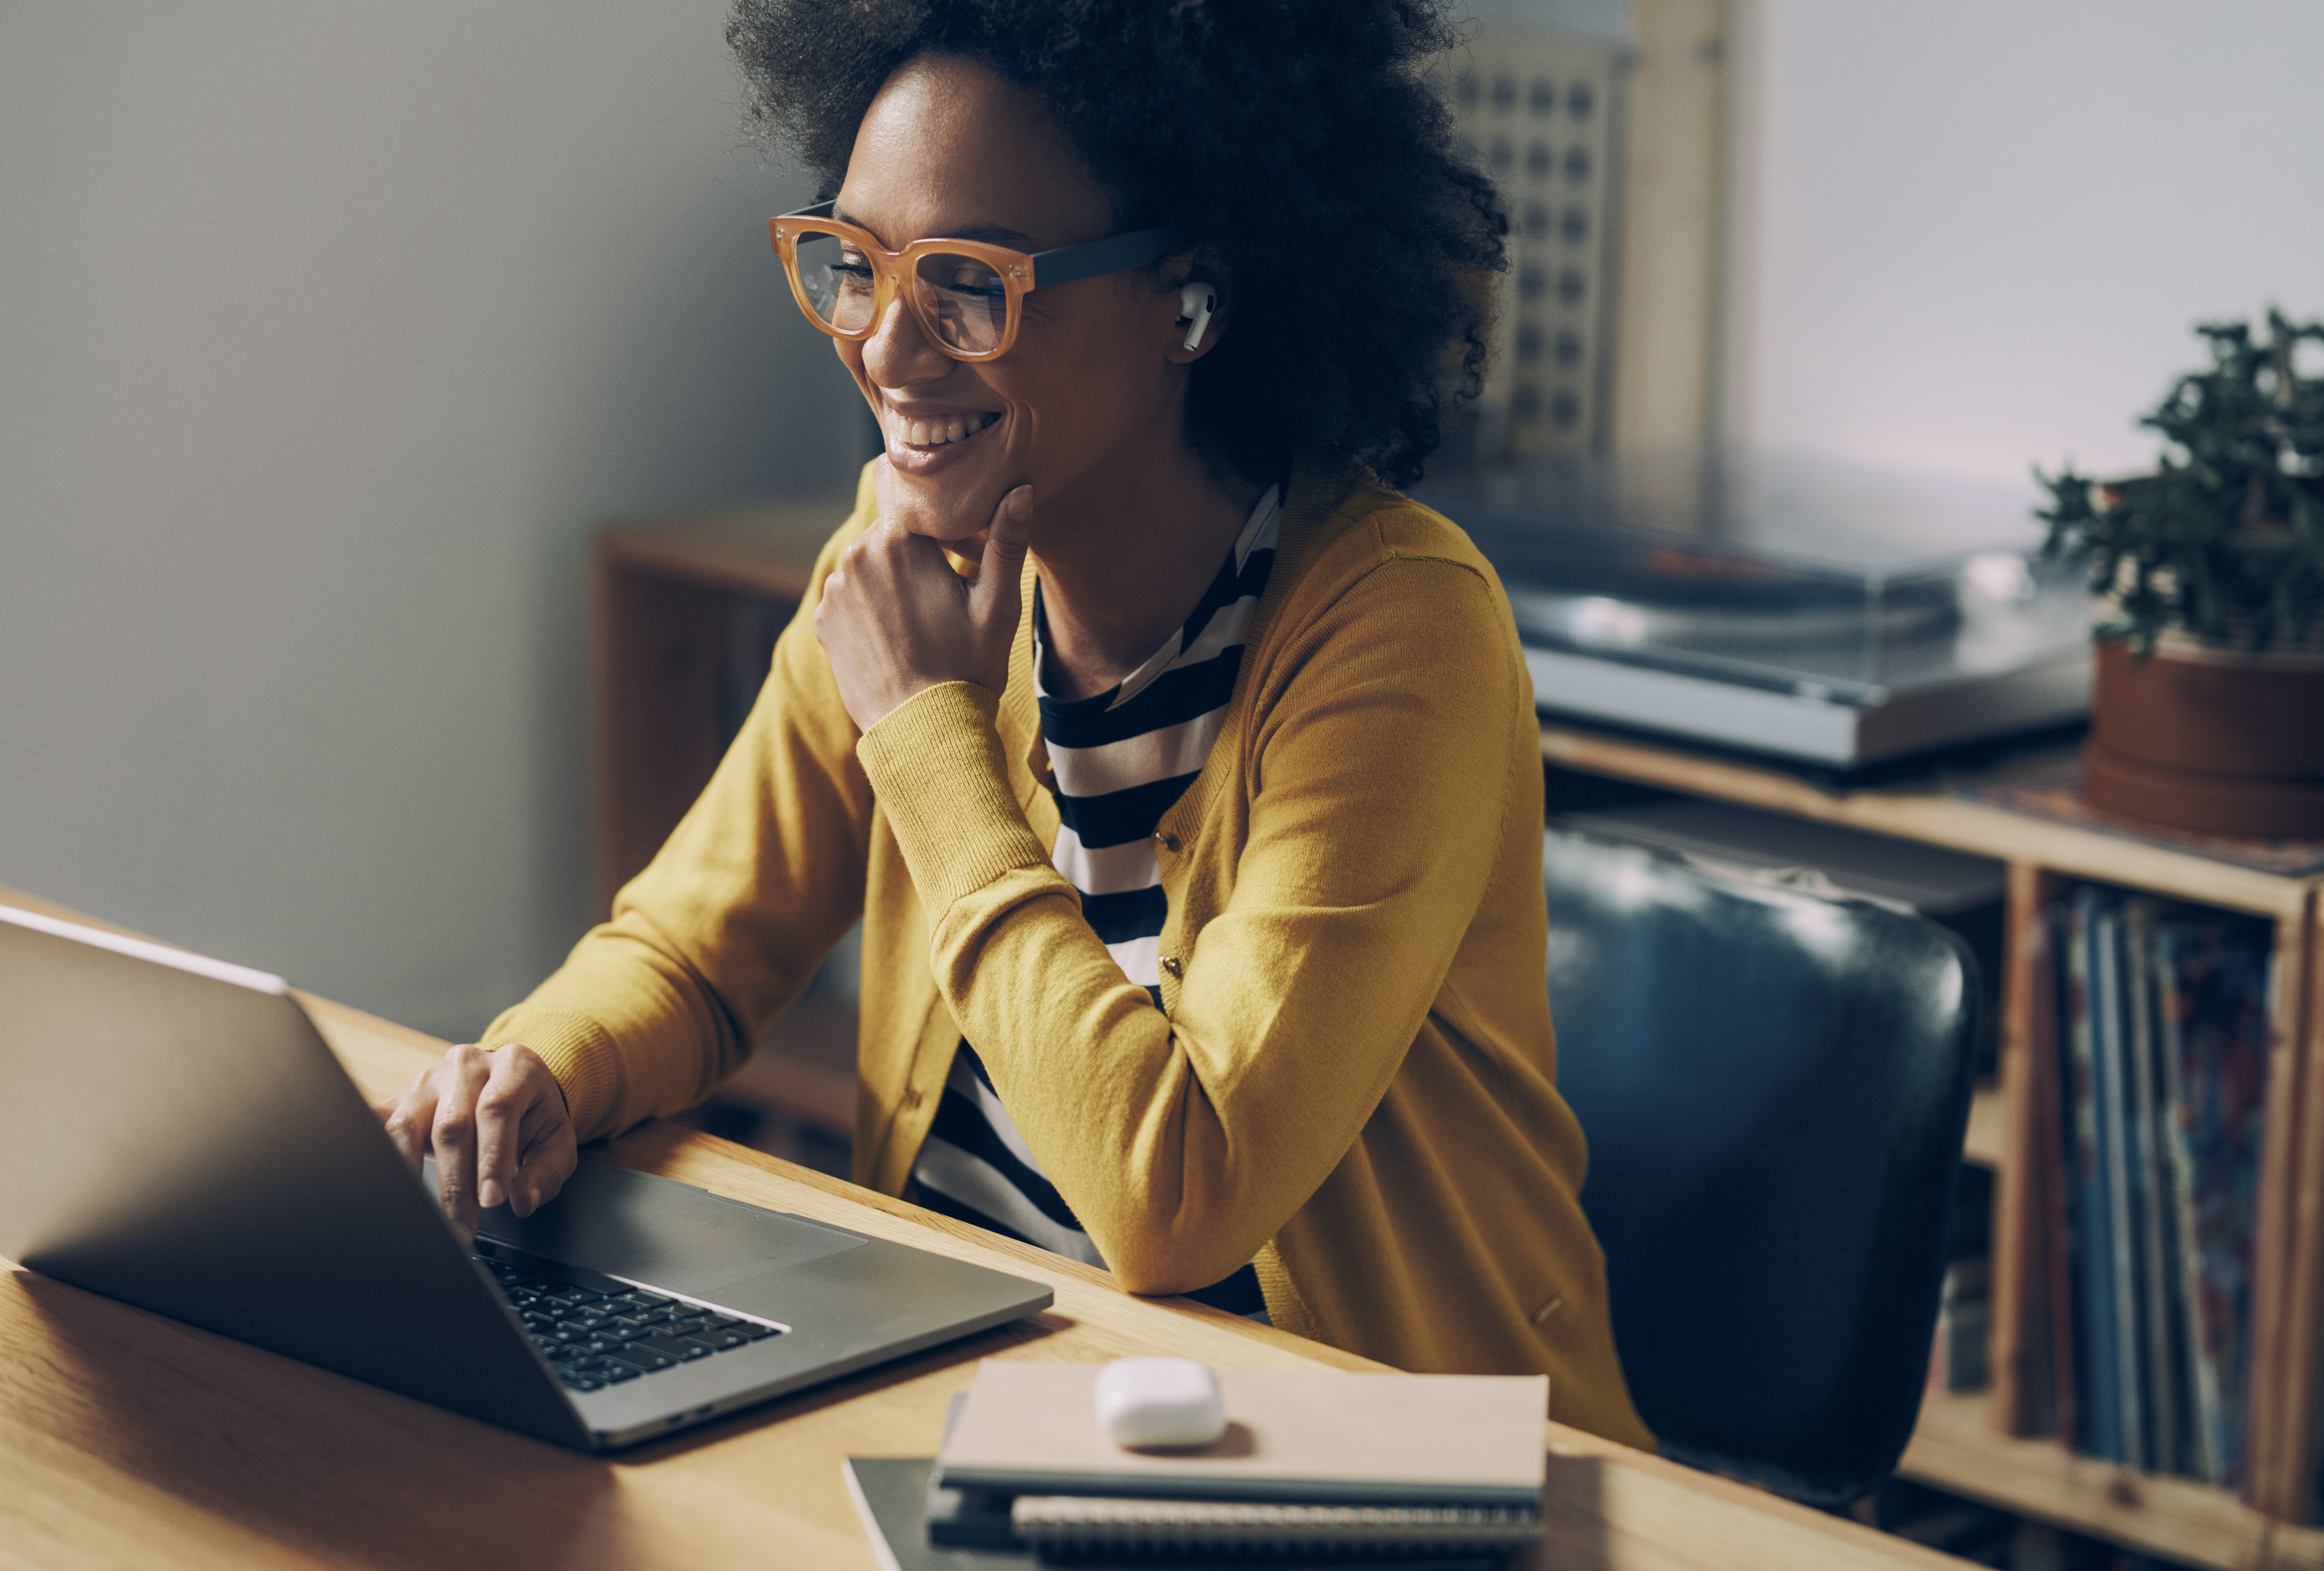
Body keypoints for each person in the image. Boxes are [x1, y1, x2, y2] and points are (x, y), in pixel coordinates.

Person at [376, 0, 1652, 1448]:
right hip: (977, 1401)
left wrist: (931, 740)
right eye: (853, 267)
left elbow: (1177, 1194)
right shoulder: (903, 553)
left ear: (1189, 300)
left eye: (970, 286)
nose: (890, 355)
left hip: (1367, 1459)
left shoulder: (1397, 629)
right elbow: (693, 949)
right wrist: (544, 1067)